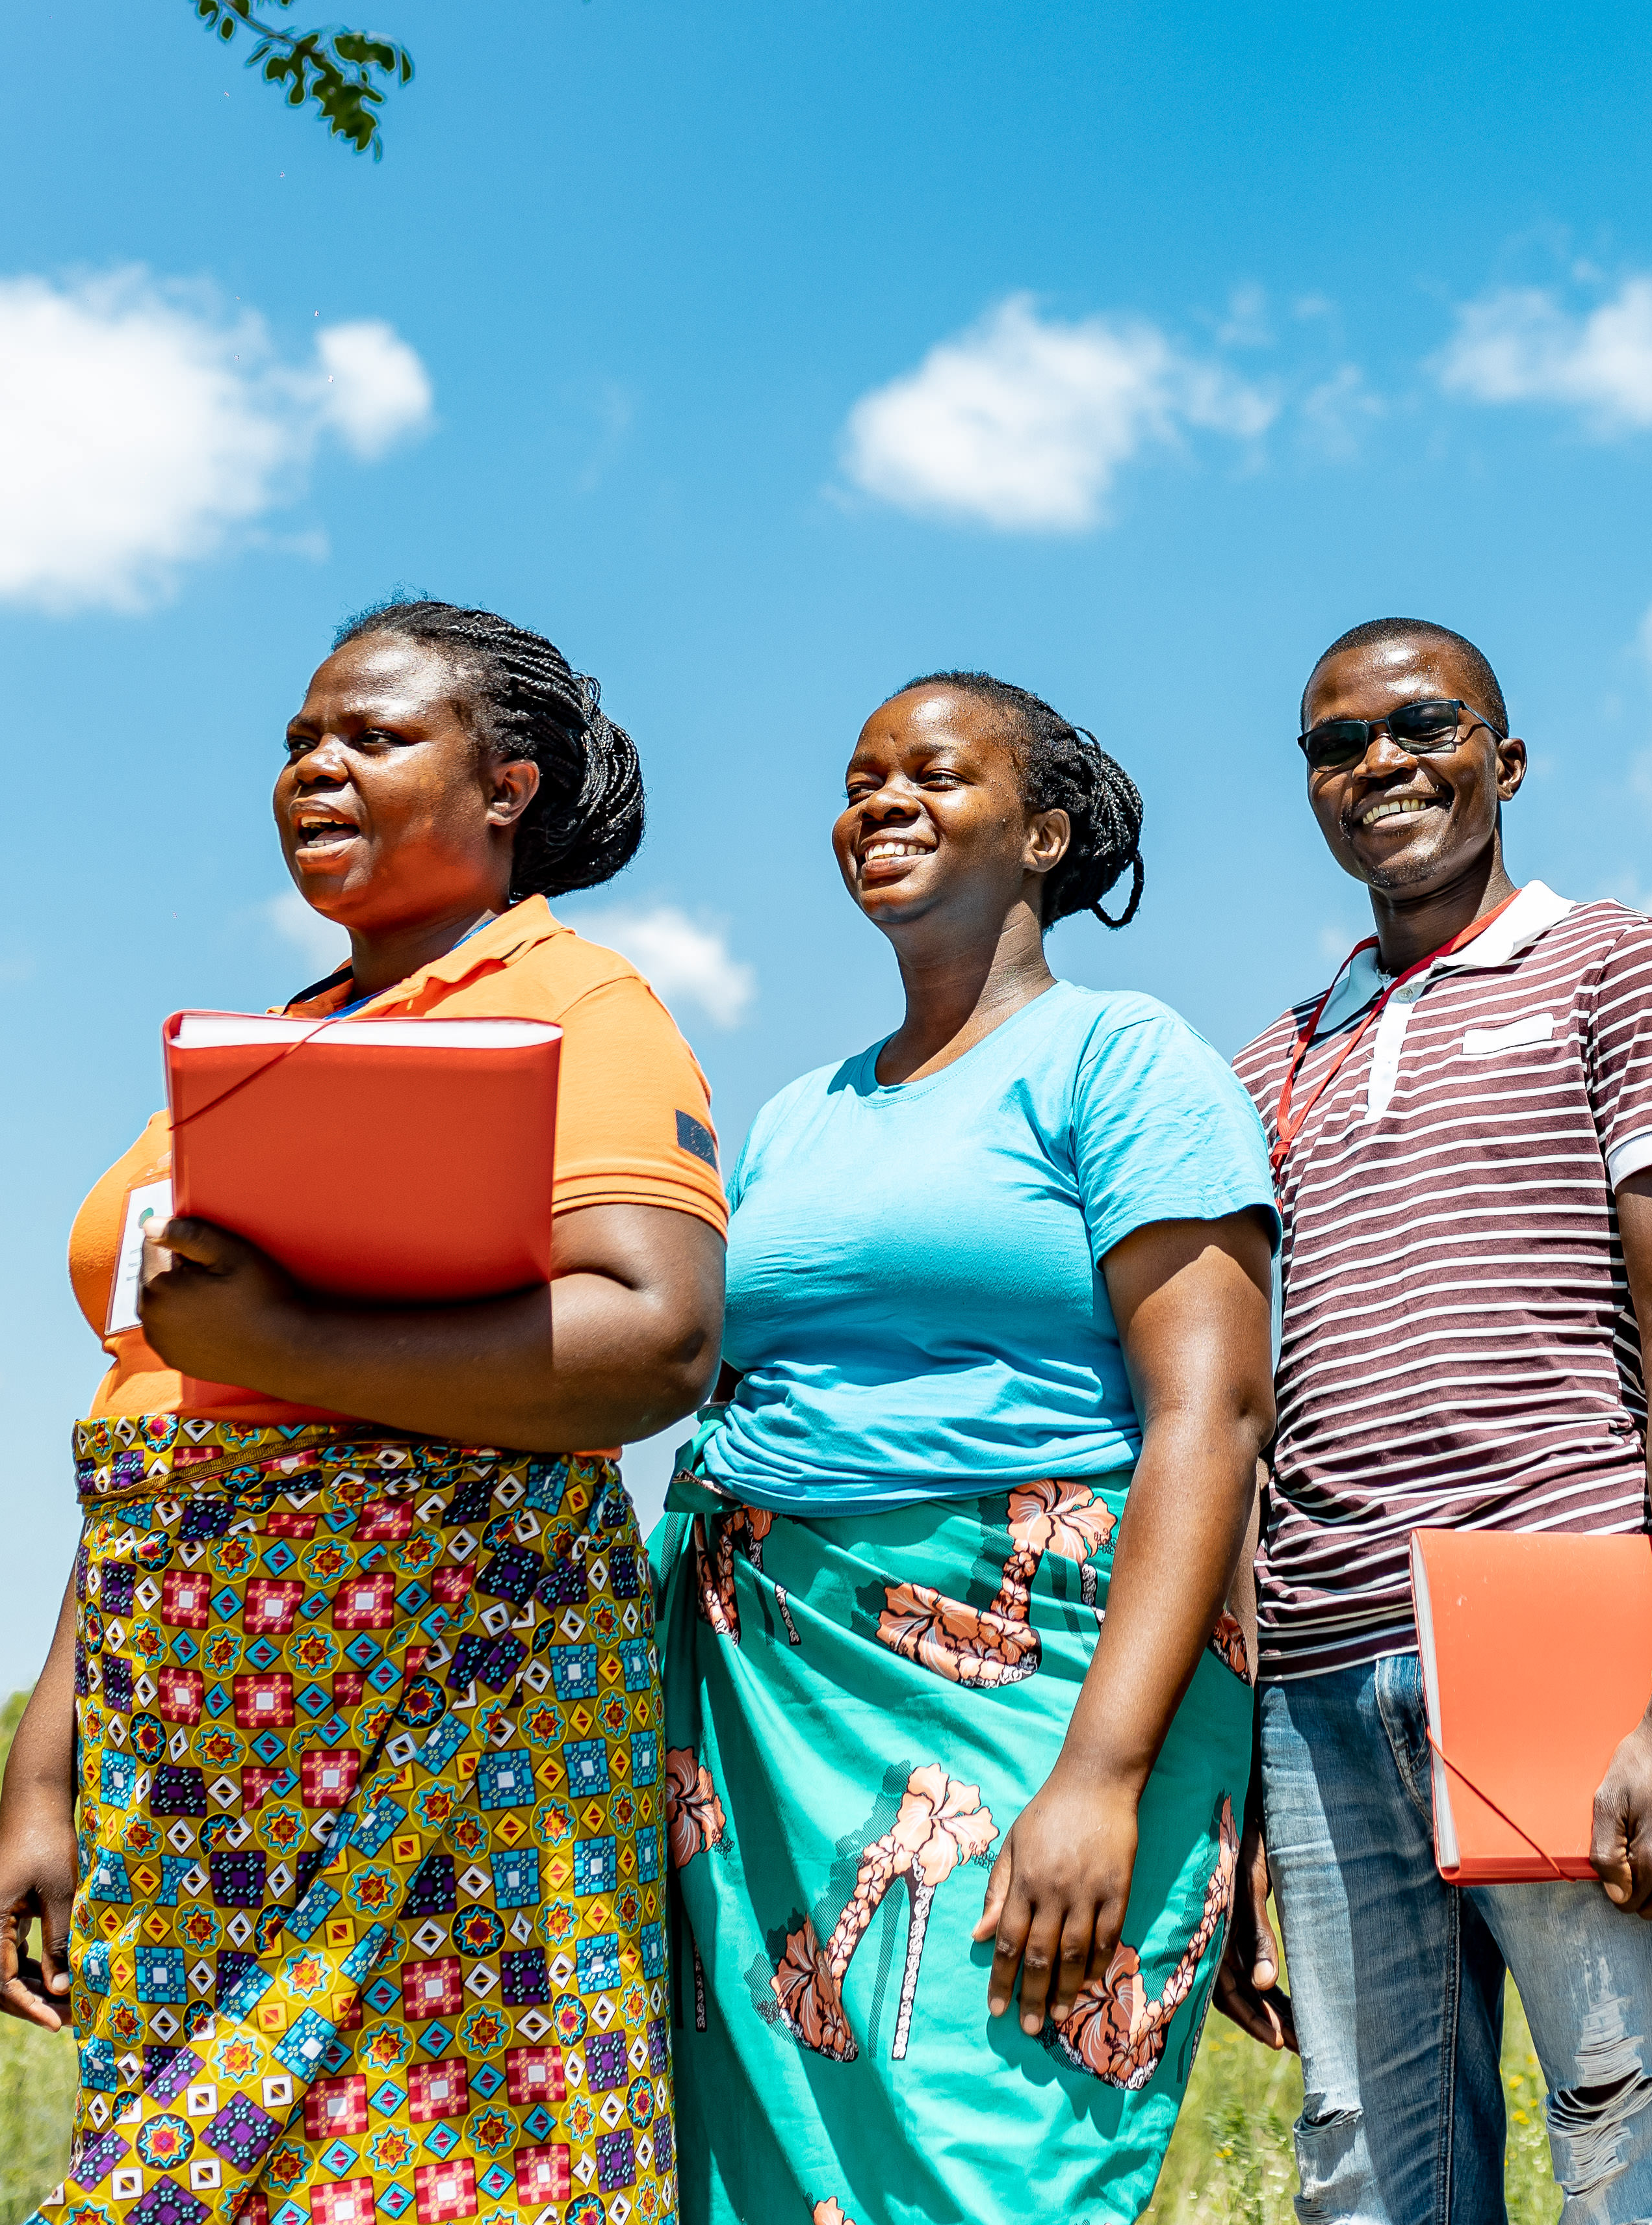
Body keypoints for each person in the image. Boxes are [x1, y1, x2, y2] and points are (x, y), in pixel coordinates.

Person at [0, 600, 731, 2225]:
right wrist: (47, 1773)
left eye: (371, 736)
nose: (315, 767)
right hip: (194, 1727)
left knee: (454, 2155)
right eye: (300, 740)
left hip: (446, 1685)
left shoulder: (574, 1006)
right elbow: (160, 1402)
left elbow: (655, 1339)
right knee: (202, 2159)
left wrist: (291, 1335)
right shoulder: (268, 1042)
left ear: (508, 786)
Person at [664, 671, 1275, 2225]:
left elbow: (1211, 1410)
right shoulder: (801, 1110)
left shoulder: (1125, 1061)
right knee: (772, 2142)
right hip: (765, 1696)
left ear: (1046, 832)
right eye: (861, 776)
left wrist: (1103, 1771)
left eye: (934, 772)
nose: (880, 800)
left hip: (1037, 1674)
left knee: (997, 2138)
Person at [1222, 615, 1652, 2225]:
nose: (1380, 762)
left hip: (1565, 1624)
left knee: (1638, 2155)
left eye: (1423, 725)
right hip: (1320, 1682)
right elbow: (1239, 1411)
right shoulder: (1274, 1058)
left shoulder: (1618, 962)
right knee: (1369, 2178)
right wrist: (1241, 1782)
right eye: (1337, 743)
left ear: (1506, 761)